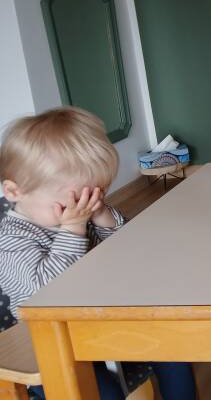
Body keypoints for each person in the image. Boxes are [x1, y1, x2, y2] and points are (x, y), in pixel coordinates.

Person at [0, 107, 197, 399]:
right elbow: (47, 293)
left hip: (100, 322)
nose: (85, 206)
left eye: (95, 194)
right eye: (71, 201)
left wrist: (102, 214)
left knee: (173, 353)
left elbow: (126, 250)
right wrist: (74, 228)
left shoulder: (80, 214)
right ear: (14, 192)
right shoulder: (12, 240)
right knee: (102, 394)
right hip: (52, 344)